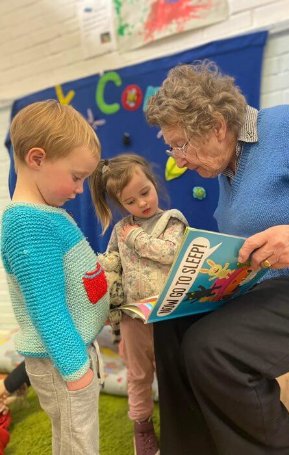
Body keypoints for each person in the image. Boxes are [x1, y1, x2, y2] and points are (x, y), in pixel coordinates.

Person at [145, 60, 289, 455]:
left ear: (217, 125)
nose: (178, 159)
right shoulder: (226, 168)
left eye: (181, 144)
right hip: (279, 291)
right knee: (170, 327)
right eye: (172, 147)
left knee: (214, 349)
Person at [0, 100, 109, 454]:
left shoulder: (47, 213)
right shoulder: (27, 223)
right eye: (76, 177)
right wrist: (76, 369)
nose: (79, 189)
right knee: (79, 444)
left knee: (73, 438)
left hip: (70, 352)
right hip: (62, 360)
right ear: (36, 159)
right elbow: (47, 308)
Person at [89, 153, 188, 455]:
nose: (142, 204)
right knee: (138, 375)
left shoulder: (173, 220)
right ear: (120, 206)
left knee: (175, 372)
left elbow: (171, 253)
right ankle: (142, 427)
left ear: (153, 181)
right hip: (135, 321)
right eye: (130, 202)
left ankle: (182, 426)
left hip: (170, 316)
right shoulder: (121, 230)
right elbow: (115, 270)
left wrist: (136, 239)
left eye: (145, 192)